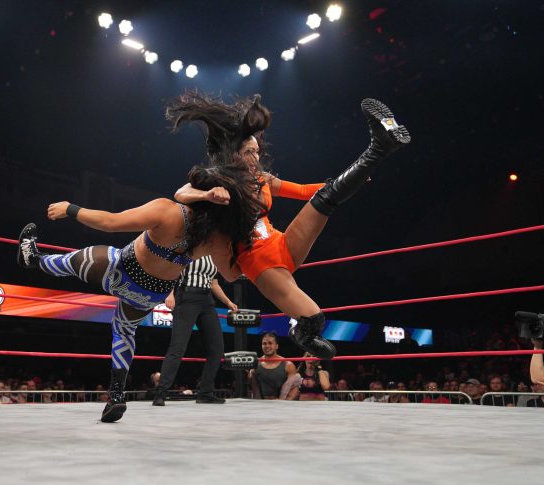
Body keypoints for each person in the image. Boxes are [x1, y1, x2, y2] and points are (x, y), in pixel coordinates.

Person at [167, 92, 410, 360]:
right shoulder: (221, 180)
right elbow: (181, 193)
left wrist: (349, 179)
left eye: (257, 152)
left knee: (327, 197)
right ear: (234, 154)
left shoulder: (262, 178)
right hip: (258, 261)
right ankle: (301, 333)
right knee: (315, 319)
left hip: (281, 243)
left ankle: (380, 146)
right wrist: (208, 194)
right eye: (249, 152)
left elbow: (305, 190)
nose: (255, 158)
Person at [17, 165, 261, 422]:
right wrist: (249, 241)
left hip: (122, 270)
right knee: (123, 330)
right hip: (151, 293)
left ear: (197, 192)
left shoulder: (167, 211)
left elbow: (110, 223)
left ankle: (34, 259)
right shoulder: (215, 238)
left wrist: (70, 209)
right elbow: (232, 275)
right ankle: (116, 395)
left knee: (79, 259)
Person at [153, 256, 237, 406]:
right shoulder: (188, 250)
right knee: (178, 347)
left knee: (217, 349)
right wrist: (170, 294)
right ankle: (160, 392)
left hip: (207, 300)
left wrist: (228, 302)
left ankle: (205, 393)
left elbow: (214, 283)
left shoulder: (213, 256)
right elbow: (171, 271)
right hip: (187, 296)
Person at [247, 331, 297, 399]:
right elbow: (253, 388)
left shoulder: (288, 365)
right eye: (264, 343)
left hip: (282, 403)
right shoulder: (256, 364)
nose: (267, 346)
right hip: (260, 403)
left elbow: (294, 388)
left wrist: (284, 403)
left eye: (270, 343)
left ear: (276, 346)